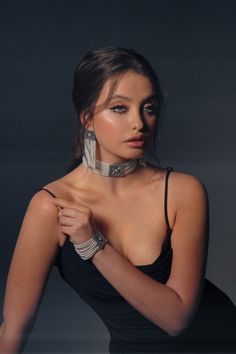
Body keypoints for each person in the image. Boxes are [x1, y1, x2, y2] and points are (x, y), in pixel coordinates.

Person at [0, 47, 235, 354]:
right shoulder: (51, 206)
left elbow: (177, 318)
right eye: (120, 108)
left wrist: (93, 245)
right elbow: (14, 327)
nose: (139, 122)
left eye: (149, 107)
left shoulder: (182, 191)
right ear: (87, 118)